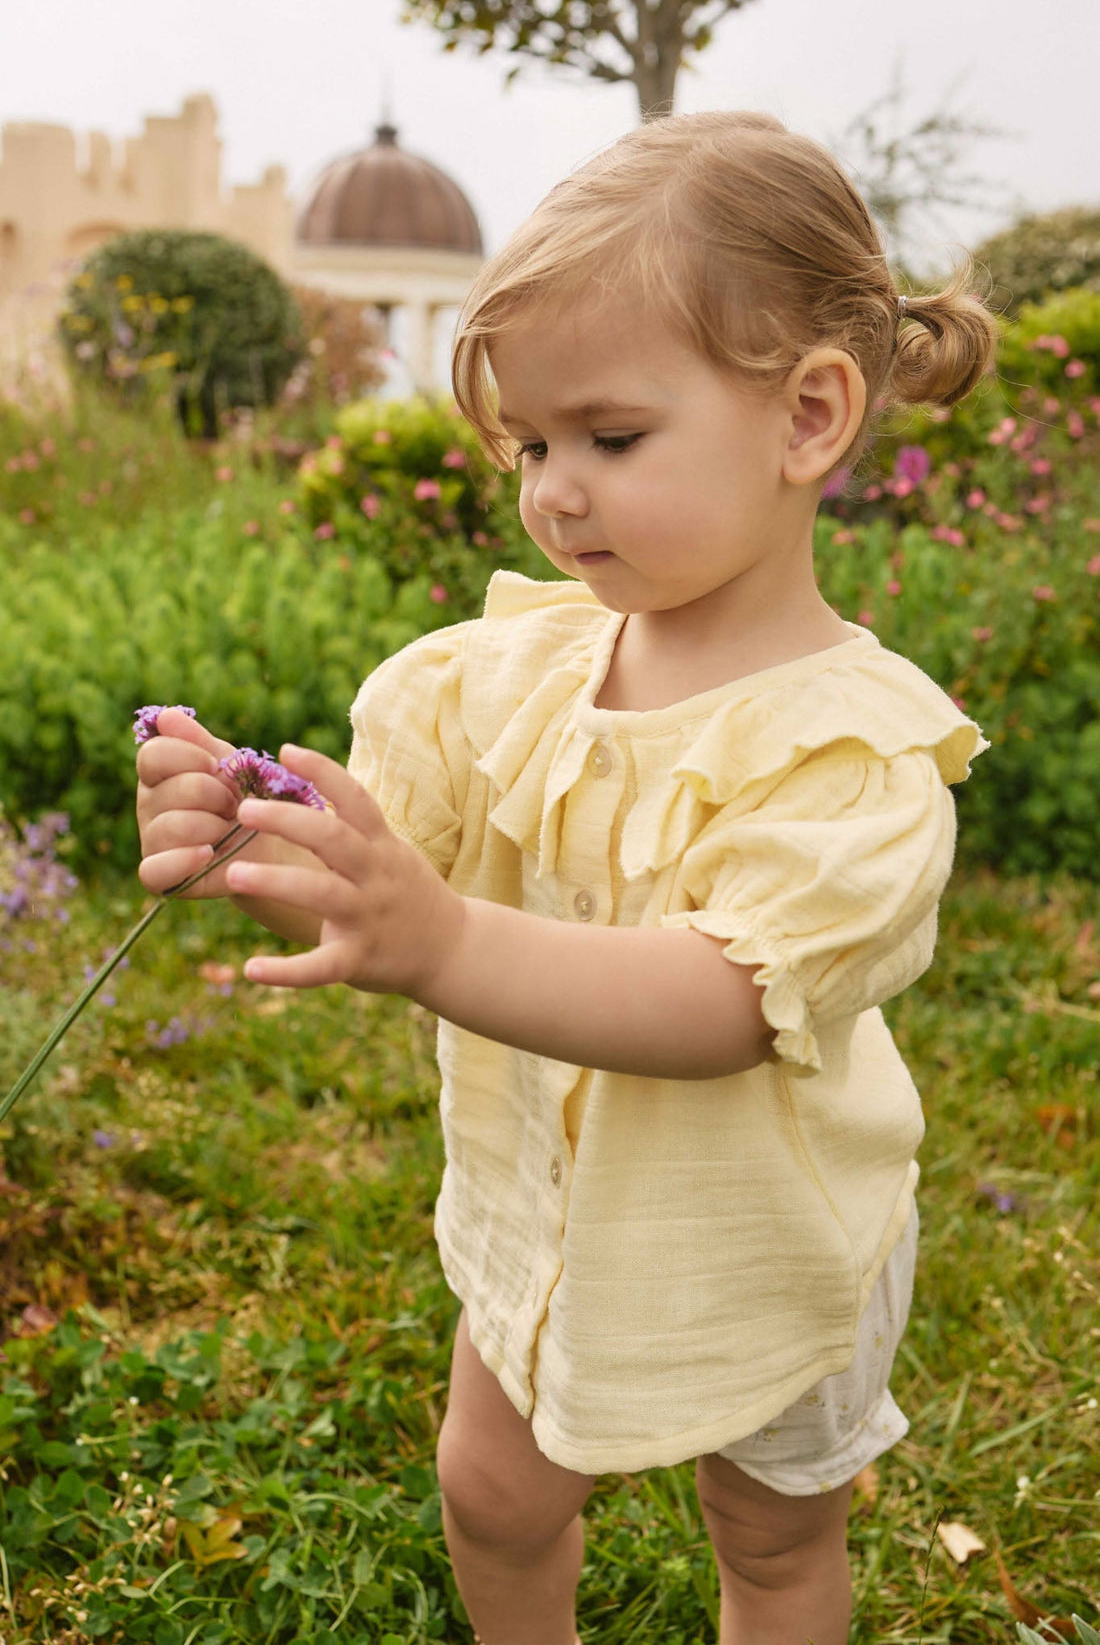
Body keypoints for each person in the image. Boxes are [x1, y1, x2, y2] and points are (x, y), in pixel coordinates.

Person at [136, 110, 998, 1645]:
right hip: (547, 1207)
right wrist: (262, 844)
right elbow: (379, 892)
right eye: (534, 445)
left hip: (769, 1231)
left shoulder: (852, 752)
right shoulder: (513, 671)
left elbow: (723, 1000)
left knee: (775, 1532)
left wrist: (444, 939)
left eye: (610, 438)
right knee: (492, 1484)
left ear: (809, 416)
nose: (553, 491)